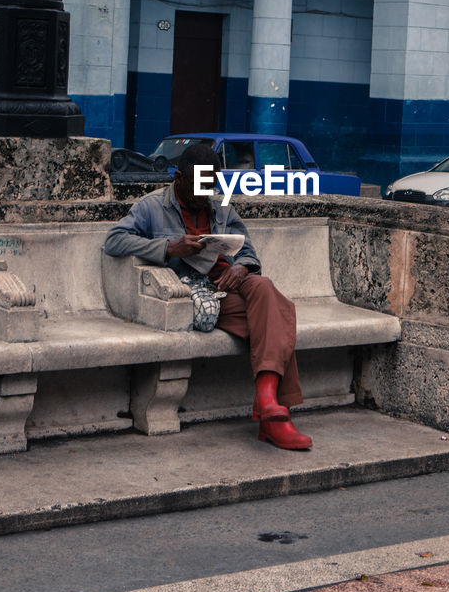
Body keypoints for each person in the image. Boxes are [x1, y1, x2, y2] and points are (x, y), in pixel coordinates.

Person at [104, 143, 312, 451]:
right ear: (178, 180)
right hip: (197, 293)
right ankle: (274, 418)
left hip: (230, 283)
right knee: (277, 318)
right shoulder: (151, 207)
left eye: (209, 186)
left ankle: (268, 402)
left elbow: (248, 251)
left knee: (265, 288)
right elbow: (114, 240)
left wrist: (241, 268)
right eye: (198, 187)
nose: (204, 194)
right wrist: (169, 248)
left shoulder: (221, 208)